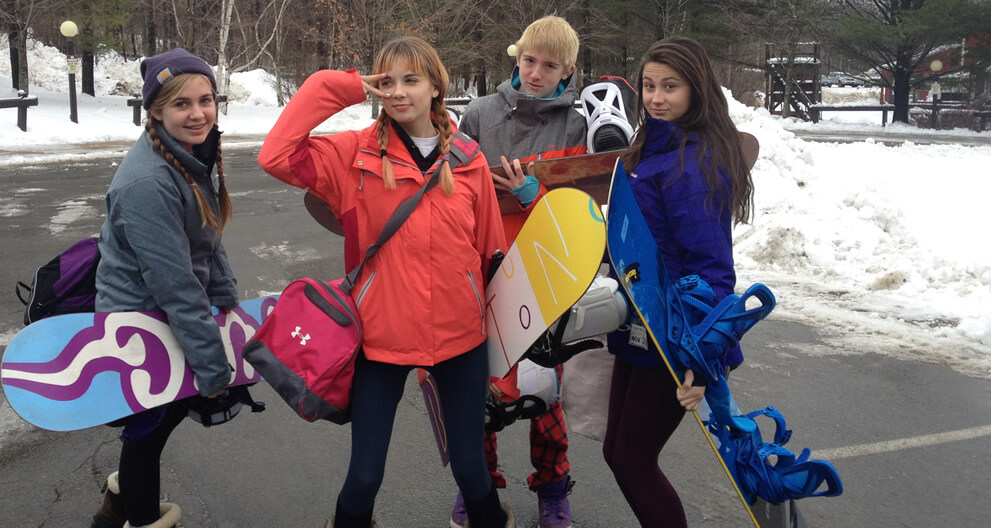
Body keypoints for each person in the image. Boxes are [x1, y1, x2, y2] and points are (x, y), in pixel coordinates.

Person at [257, 36, 512, 528]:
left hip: (461, 340)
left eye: (411, 79)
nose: (397, 92)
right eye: (387, 81)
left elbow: (489, 255)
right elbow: (277, 154)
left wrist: (505, 349)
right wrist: (346, 87)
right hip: (378, 341)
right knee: (365, 474)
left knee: (472, 471)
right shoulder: (352, 156)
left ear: (437, 86)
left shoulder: (469, 159)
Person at [601, 36, 755, 527]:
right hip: (640, 323)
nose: (656, 97)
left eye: (671, 86)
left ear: (697, 90)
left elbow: (712, 270)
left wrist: (697, 359)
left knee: (631, 459)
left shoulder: (692, 162)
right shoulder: (652, 147)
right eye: (648, 85)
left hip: (674, 335)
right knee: (617, 452)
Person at [90, 48, 241, 528]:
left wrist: (228, 303)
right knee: (150, 430)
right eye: (181, 104)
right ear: (155, 111)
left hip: (163, 314)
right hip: (140, 323)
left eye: (206, 99)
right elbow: (175, 283)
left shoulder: (187, 156)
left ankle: (118, 503)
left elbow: (205, 239)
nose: (198, 114)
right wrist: (214, 367)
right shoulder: (149, 181)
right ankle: (132, 512)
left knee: (155, 426)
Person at [456, 15, 586, 528]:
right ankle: (478, 487)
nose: (536, 73)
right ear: (517, 56)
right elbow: (452, 189)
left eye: (549, 65)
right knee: (477, 384)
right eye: (529, 61)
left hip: (544, 272)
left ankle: (553, 490)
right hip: (482, 267)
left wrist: (534, 195)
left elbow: (582, 211)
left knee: (543, 389)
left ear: (567, 69)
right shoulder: (481, 114)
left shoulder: (576, 123)